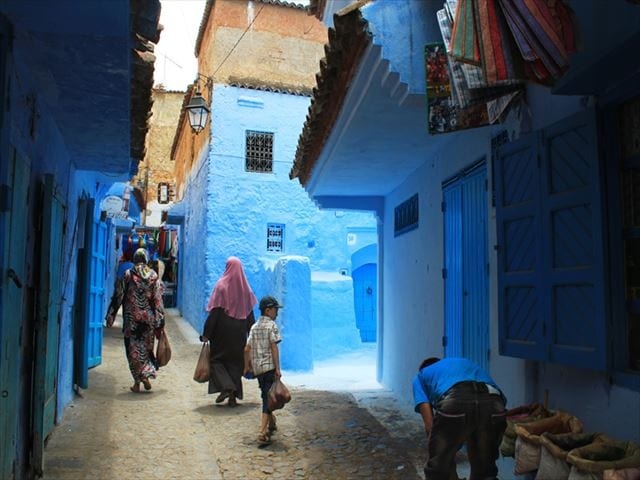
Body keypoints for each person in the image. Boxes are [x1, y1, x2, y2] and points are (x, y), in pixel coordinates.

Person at [412, 357, 507, 480]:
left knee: (439, 468)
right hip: (493, 400)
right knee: (485, 467)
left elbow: (430, 426)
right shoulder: (460, 363)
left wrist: (441, 453)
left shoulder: (420, 376)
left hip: (456, 398)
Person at [105, 248, 165, 393]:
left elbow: (118, 295)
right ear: (146, 259)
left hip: (131, 320)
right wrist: (160, 321)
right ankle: (142, 377)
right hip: (148, 320)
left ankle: (138, 379)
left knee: (133, 350)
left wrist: (111, 314)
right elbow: (158, 300)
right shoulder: (153, 276)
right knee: (146, 348)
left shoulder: (128, 274)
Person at [201, 256, 257, 407]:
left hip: (222, 331)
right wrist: (253, 334)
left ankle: (226, 387)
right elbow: (250, 316)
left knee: (217, 361)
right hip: (239, 332)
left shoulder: (221, 286)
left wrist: (206, 333)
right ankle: (232, 396)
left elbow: (215, 313)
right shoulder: (245, 289)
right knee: (236, 363)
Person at [244, 295, 282, 445]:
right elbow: (274, 347)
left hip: (258, 369)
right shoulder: (271, 326)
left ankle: (271, 423)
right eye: (275, 310)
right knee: (267, 397)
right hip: (269, 367)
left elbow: (247, 348)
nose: (276, 313)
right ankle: (262, 431)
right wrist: (277, 368)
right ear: (268, 310)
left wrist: (246, 366)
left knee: (266, 394)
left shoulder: (254, 327)